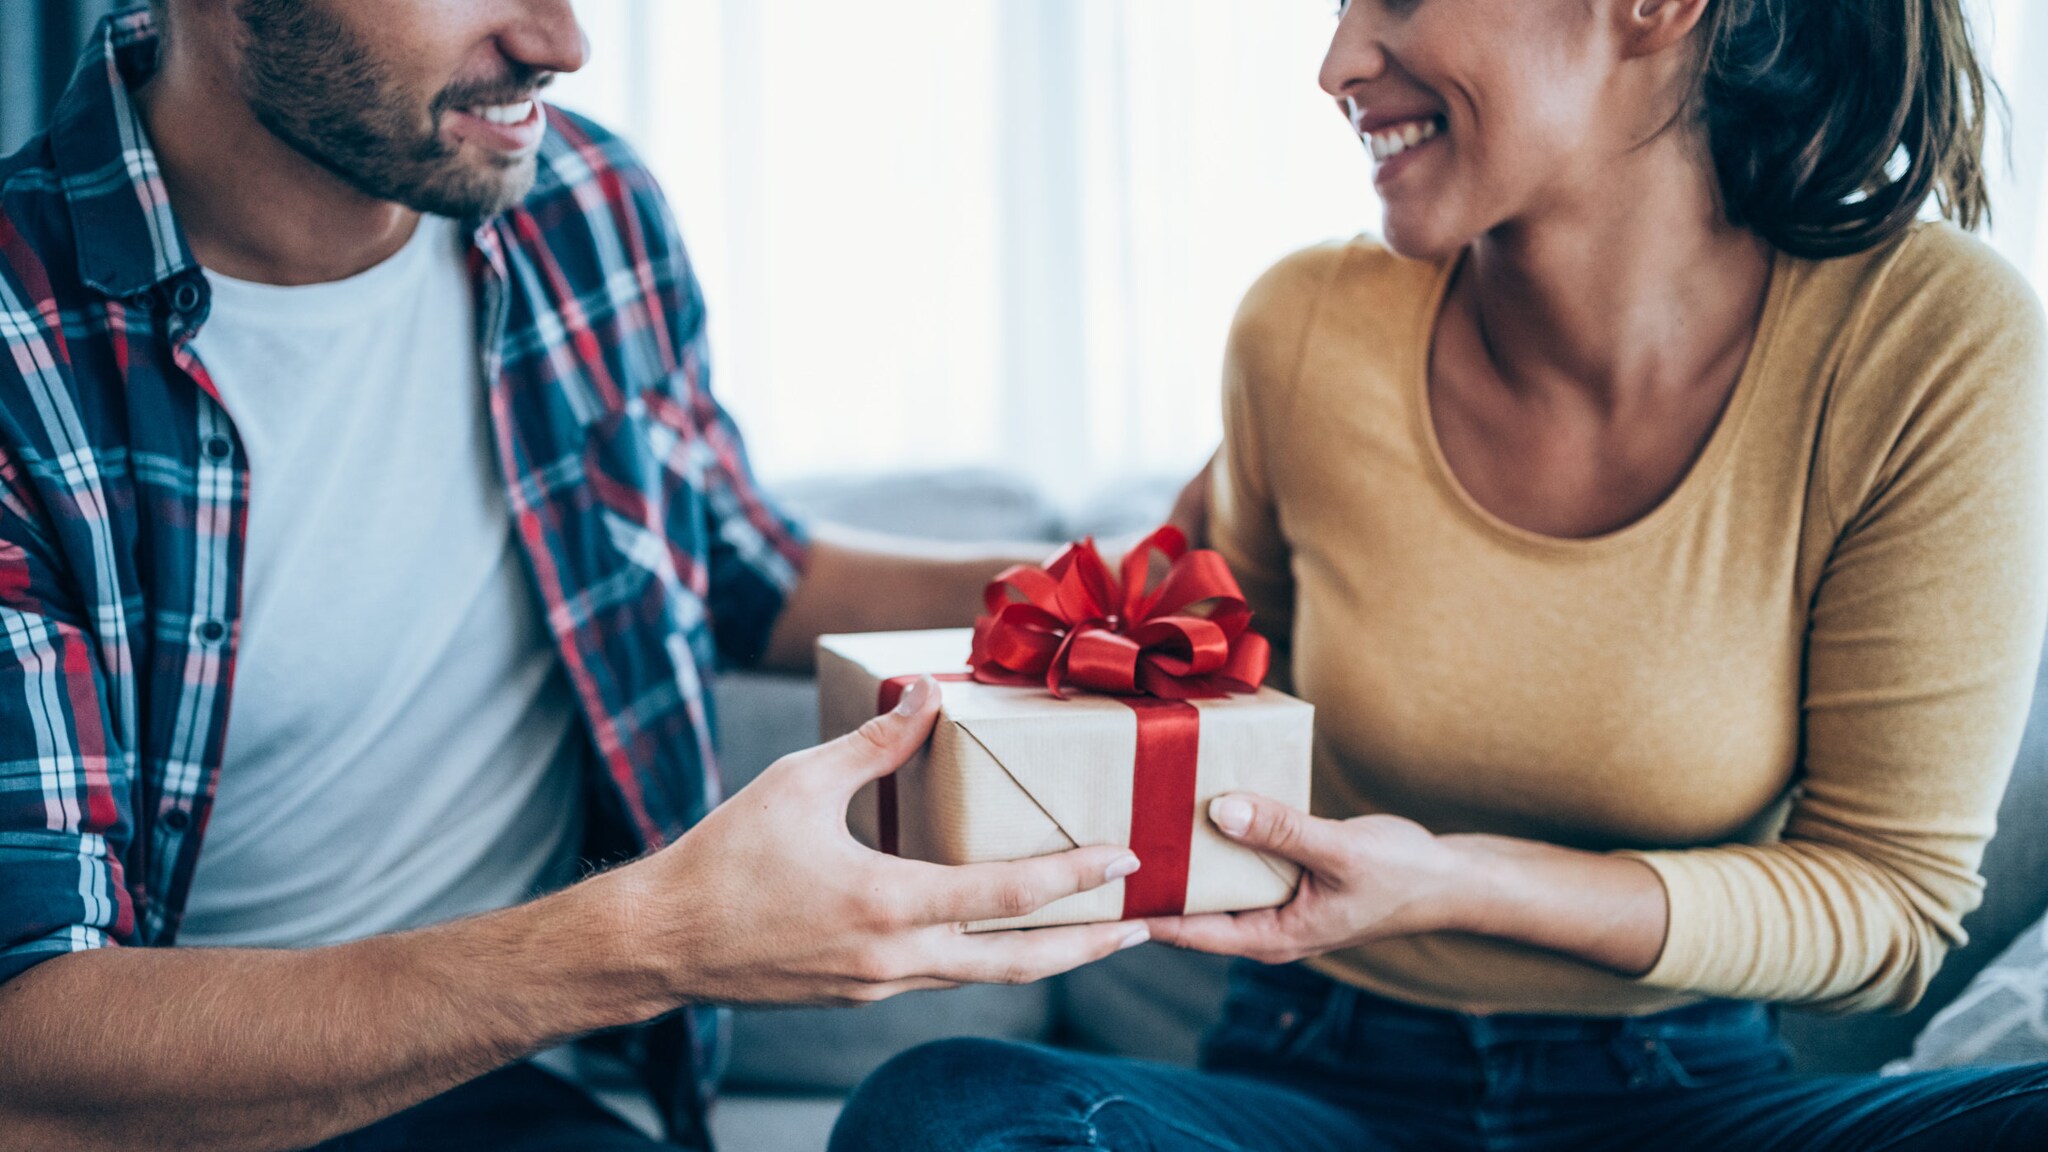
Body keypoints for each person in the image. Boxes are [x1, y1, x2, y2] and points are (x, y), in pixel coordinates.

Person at [832, 0, 2048, 1148]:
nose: (1337, 61)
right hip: (1317, 1074)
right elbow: (1188, 694)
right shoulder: (1304, 327)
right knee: (945, 1109)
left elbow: (1884, 904)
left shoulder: (1925, 342)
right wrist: (1065, 693)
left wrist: (1455, 880)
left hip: (1679, 1093)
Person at [0, 3, 1193, 1149]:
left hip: (522, 1091)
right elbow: (29, 1053)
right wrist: (657, 935)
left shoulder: (580, 202)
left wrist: (1126, 583)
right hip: (181, 1107)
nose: (559, 43)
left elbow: (739, 568)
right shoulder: (21, 342)